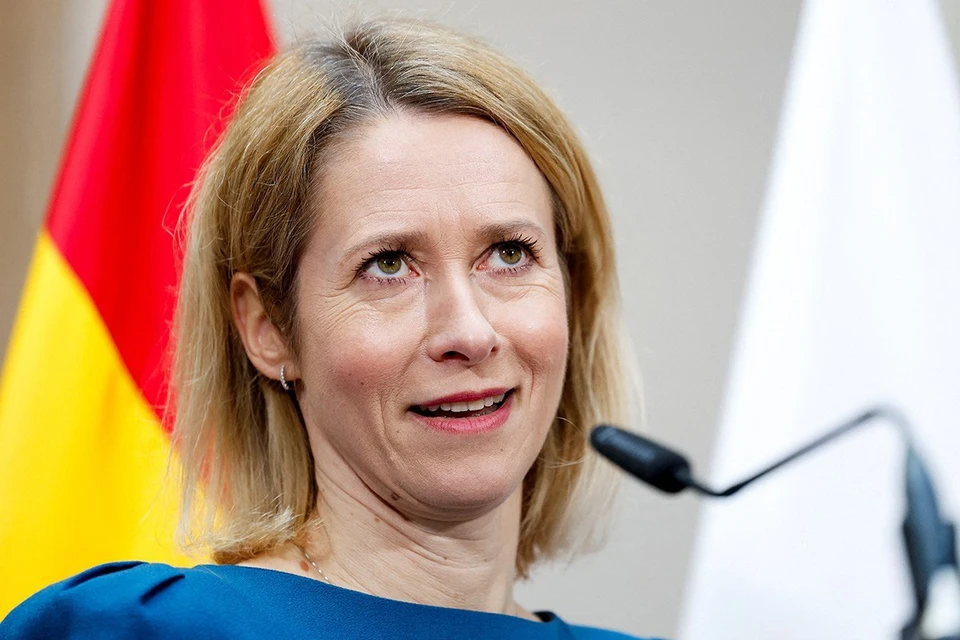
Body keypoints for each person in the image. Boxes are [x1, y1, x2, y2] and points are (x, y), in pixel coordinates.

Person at [0, 18, 660, 640]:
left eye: (509, 254)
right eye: (389, 265)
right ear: (268, 329)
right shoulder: (131, 631)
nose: (470, 330)